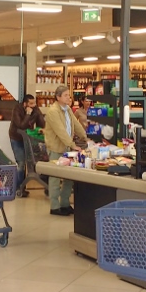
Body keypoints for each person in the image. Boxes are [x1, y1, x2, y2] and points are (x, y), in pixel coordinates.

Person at [44, 85, 88, 216]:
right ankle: (54, 206)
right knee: (55, 178)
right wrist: (73, 144)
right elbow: (61, 131)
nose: (69, 97)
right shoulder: (53, 112)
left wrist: (85, 137)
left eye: (69, 95)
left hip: (67, 148)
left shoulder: (68, 109)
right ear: (58, 97)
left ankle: (65, 203)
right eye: (66, 95)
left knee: (69, 177)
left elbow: (76, 124)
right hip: (56, 148)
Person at [9, 94, 45, 195]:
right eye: (31, 103)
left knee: (33, 162)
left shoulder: (36, 109)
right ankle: (19, 188)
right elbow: (21, 125)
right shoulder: (17, 109)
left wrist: (41, 129)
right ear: (25, 104)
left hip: (29, 139)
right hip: (16, 138)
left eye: (34, 103)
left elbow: (41, 123)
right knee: (21, 163)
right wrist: (28, 115)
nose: (34, 105)